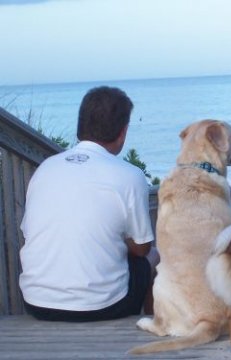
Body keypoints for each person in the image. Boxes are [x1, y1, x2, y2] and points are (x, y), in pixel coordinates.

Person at [19, 86, 158, 322]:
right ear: (123, 132)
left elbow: (28, 233)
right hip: (102, 306)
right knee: (155, 257)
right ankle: (154, 327)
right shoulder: (129, 175)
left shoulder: (46, 168)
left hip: (36, 303)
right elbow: (142, 248)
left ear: (80, 127)